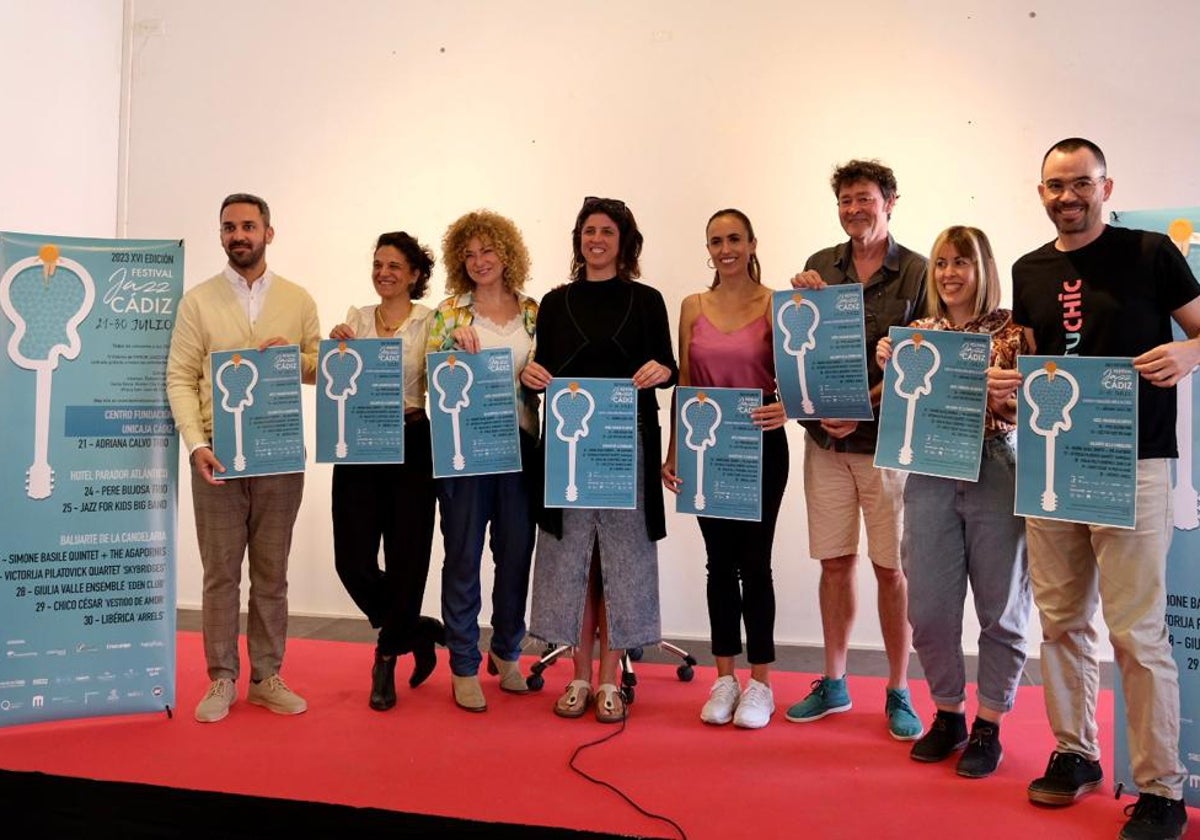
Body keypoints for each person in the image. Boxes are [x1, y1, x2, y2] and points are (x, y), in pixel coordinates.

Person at [990, 138, 1199, 839]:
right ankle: (1075, 752)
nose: (1067, 196)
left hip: (1135, 462)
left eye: (1081, 183)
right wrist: (1002, 385)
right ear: (1041, 191)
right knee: (1061, 621)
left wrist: (1189, 350)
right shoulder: (1028, 270)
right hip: (1052, 464)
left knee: (1138, 633)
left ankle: (1162, 788)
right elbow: (1029, 362)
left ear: (1106, 186)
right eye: (1055, 185)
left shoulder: (1150, 255)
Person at [875, 226, 1031, 778]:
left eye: (961, 262)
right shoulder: (916, 335)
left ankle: (989, 722)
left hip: (995, 469)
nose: (949, 273)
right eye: (941, 262)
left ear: (983, 268)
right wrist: (886, 358)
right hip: (932, 473)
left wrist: (1004, 401)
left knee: (1001, 607)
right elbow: (898, 407)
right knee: (930, 610)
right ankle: (949, 713)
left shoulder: (1016, 334)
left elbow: (1028, 419)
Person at [783, 159, 928, 741]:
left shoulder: (918, 271)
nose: (853, 210)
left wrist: (858, 406)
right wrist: (797, 302)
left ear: (889, 201)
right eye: (845, 200)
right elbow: (802, 352)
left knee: (892, 569)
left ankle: (898, 689)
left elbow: (921, 359)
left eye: (864, 198)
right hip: (825, 443)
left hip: (885, 446)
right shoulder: (821, 267)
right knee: (835, 562)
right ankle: (835, 681)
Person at [522, 196, 677, 723]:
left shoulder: (649, 300)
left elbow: (669, 366)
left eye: (607, 231)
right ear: (578, 239)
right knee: (574, 563)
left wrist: (662, 371)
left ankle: (611, 677)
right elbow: (543, 367)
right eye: (589, 230)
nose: (597, 239)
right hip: (567, 451)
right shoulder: (554, 302)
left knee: (621, 563)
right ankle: (579, 677)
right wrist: (531, 375)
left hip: (627, 446)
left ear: (624, 241)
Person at [167, 193, 319, 723]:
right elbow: (180, 377)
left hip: (279, 457)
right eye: (229, 227)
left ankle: (266, 677)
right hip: (217, 459)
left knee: (272, 575)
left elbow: (321, 369)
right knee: (220, 575)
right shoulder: (198, 302)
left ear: (268, 233)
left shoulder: (298, 300)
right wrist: (196, 444)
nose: (239, 235)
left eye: (248, 226)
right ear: (222, 234)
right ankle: (221, 679)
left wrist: (292, 357)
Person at [661, 209, 789, 729]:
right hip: (705, 447)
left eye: (734, 238)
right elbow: (685, 385)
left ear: (753, 243)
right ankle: (724, 677)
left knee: (755, 564)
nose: (725, 248)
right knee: (719, 564)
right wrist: (674, 452)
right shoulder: (692, 306)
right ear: (708, 249)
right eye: (716, 241)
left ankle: (761, 683)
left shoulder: (779, 304)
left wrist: (791, 407)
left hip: (761, 446)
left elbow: (798, 379)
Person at [429, 210, 540, 713]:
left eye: (487, 251)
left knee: (516, 556)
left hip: (522, 450)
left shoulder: (535, 312)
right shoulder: (449, 313)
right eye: (469, 254)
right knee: (463, 558)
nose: (479, 261)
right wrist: (452, 351)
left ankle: (508, 651)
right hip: (465, 452)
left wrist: (545, 374)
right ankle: (463, 663)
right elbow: (430, 381)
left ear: (506, 254)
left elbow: (554, 372)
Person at [328, 231, 443, 712]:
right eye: (377, 264)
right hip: (359, 442)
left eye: (394, 266)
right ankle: (415, 629)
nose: (383, 273)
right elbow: (334, 376)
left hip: (414, 442)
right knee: (351, 560)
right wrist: (335, 349)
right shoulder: (355, 319)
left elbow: (448, 372)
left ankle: (385, 657)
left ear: (415, 274)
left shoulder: (432, 321)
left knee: (407, 556)